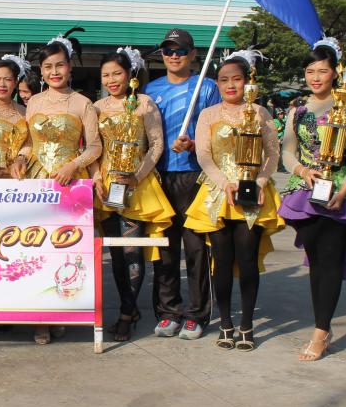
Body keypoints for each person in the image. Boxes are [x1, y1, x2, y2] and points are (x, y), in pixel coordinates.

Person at [278, 38, 346, 361]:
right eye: (310, 71)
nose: (315, 77)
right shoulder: (298, 108)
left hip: (340, 191)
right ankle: (322, 324)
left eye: (322, 71)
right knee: (316, 259)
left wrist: (344, 188)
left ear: (335, 72)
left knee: (331, 258)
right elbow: (287, 150)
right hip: (306, 190)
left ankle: (321, 331)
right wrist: (301, 170)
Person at [183, 51, 285, 351]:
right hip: (218, 193)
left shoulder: (261, 113)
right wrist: (223, 182)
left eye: (237, 79)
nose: (230, 85)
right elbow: (204, 154)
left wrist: (261, 181)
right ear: (217, 83)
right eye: (224, 80)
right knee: (222, 261)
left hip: (253, 194)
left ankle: (247, 325)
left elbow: (273, 154)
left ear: (247, 82)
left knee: (248, 261)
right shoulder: (208, 114)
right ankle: (225, 323)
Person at [12, 28, 102, 344]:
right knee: (36, 247)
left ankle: (62, 311)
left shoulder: (83, 103)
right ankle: (41, 318)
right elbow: (28, 142)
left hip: (70, 184)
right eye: (48, 67)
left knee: (66, 250)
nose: (54, 72)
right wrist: (21, 158)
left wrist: (73, 165)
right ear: (41, 70)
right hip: (37, 182)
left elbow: (95, 146)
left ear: (69, 66)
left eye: (59, 65)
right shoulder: (34, 102)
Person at [90, 48, 174, 341]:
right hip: (106, 186)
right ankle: (130, 308)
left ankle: (127, 313)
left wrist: (137, 176)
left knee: (132, 252)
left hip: (136, 185)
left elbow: (156, 144)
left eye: (117, 73)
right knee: (116, 254)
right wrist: (96, 177)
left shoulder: (144, 103)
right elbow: (92, 148)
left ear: (129, 74)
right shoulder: (96, 107)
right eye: (106, 75)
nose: (112, 80)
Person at [143, 28, 221, 340]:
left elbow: (219, 133)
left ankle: (197, 313)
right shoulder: (151, 89)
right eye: (168, 50)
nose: (174, 56)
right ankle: (168, 312)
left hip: (196, 175)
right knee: (164, 247)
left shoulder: (208, 87)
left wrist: (195, 145)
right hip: (160, 175)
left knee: (196, 248)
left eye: (180, 51)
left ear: (192, 54)